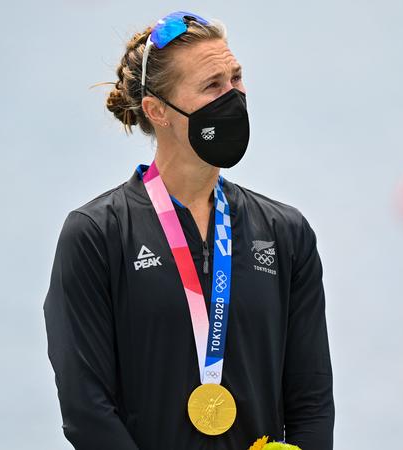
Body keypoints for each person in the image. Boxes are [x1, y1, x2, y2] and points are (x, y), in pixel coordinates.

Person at [43, 11, 334, 450]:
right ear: (157, 110)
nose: (233, 96)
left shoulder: (285, 232)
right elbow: (86, 410)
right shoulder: (95, 236)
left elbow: (311, 401)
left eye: (235, 79)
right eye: (212, 86)